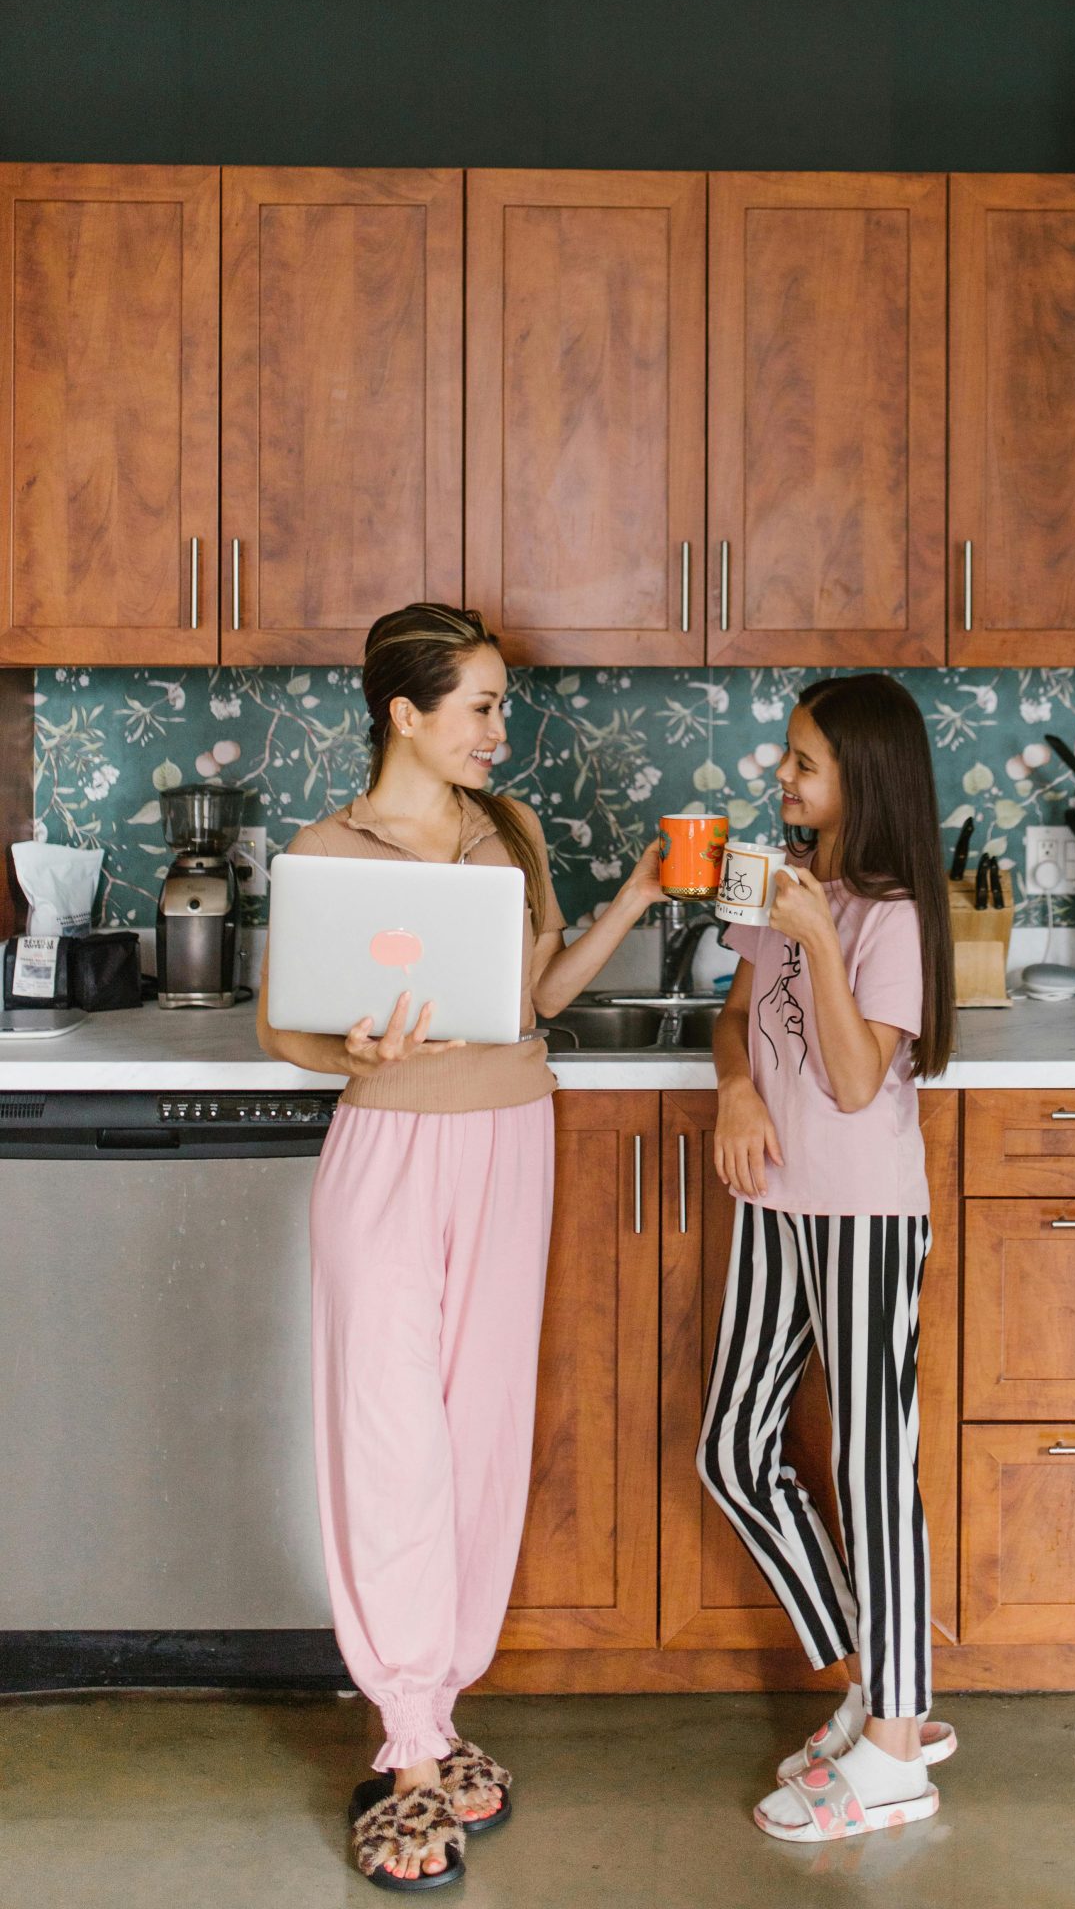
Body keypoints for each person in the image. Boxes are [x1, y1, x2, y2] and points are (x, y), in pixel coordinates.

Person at [257, 603, 663, 1890]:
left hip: (512, 1146)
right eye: (482, 706)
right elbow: (284, 1031)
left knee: (480, 1436)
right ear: (407, 714)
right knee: (390, 1446)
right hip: (386, 1156)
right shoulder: (330, 849)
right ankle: (408, 1752)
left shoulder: (514, 835)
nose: (502, 728)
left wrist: (640, 896)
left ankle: (432, 1709)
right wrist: (350, 1052)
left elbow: (532, 1002)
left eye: (502, 704)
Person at [695, 673, 958, 1844]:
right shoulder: (785, 881)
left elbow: (857, 1081)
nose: (783, 778)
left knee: (869, 1464)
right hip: (776, 1201)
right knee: (732, 1450)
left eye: (802, 762)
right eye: (787, 758)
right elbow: (731, 1008)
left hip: (860, 1213)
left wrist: (818, 936)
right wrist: (738, 1087)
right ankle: (882, 1670)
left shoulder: (889, 912)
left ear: (863, 775)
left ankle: (897, 1748)